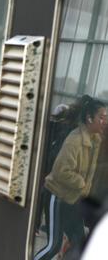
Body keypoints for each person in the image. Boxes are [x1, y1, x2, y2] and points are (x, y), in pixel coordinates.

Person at [35, 96, 107, 260]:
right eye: (101, 117)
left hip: (73, 199)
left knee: (79, 242)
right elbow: (62, 171)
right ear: (89, 119)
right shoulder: (75, 141)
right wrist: (82, 184)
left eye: (106, 117)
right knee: (53, 245)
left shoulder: (95, 140)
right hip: (57, 197)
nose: (104, 121)